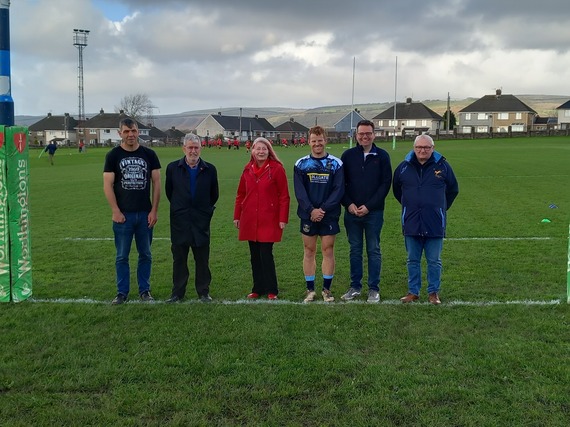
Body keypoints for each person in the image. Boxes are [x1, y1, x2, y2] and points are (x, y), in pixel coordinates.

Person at [393, 134, 459, 305]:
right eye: (419, 147)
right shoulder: (403, 167)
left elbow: (453, 189)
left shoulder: (443, 166)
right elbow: (396, 190)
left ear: (433, 148)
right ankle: (413, 292)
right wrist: (410, 206)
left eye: (426, 147)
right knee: (412, 260)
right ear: (414, 148)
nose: (422, 150)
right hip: (411, 221)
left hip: (434, 221)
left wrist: (440, 208)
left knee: (434, 261)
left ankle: (433, 293)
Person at [103, 118, 161, 304]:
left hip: (144, 214)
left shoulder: (149, 154)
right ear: (120, 133)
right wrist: (115, 210)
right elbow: (107, 185)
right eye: (126, 131)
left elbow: (157, 183)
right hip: (123, 216)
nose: (131, 135)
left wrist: (154, 210)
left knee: (145, 254)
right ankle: (122, 292)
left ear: (138, 132)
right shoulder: (113, 156)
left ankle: (145, 291)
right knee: (122, 256)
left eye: (134, 131)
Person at [340, 119, 392, 303]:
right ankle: (355, 287)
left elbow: (385, 184)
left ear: (374, 134)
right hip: (352, 213)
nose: (364, 136)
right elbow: (341, 184)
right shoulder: (347, 156)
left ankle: (373, 289)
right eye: (361, 133)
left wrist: (369, 206)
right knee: (355, 249)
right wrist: (349, 204)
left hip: (374, 213)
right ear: (356, 135)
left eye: (368, 133)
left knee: (373, 249)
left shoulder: (382, 156)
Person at [234, 137, 290, 300]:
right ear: (252, 151)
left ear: (269, 151)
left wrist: (282, 218)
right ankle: (257, 288)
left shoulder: (277, 169)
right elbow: (240, 194)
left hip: (269, 218)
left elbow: (284, 196)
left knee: (266, 253)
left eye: (264, 149)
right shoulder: (247, 170)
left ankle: (272, 289)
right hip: (250, 219)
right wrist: (237, 215)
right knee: (254, 255)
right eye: (258, 148)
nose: (261, 152)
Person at [165, 133, 219, 303]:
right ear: (184, 149)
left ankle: (203, 292)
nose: (193, 151)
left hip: (201, 220)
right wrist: (181, 208)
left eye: (196, 148)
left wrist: (202, 210)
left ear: (200, 149)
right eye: (190, 147)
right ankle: (177, 293)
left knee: (202, 259)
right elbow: (170, 192)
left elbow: (214, 195)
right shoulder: (173, 168)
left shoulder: (210, 169)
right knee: (179, 258)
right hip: (180, 221)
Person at [293, 125, 344, 303]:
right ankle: (310, 290)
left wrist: (322, 209)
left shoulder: (336, 164)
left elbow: (338, 190)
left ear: (325, 141)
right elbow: (300, 192)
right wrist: (311, 210)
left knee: (327, 250)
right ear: (309, 142)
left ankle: (327, 290)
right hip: (308, 214)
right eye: (314, 141)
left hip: (328, 214)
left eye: (320, 140)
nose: (317, 144)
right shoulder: (301, 164)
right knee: (309, 250)